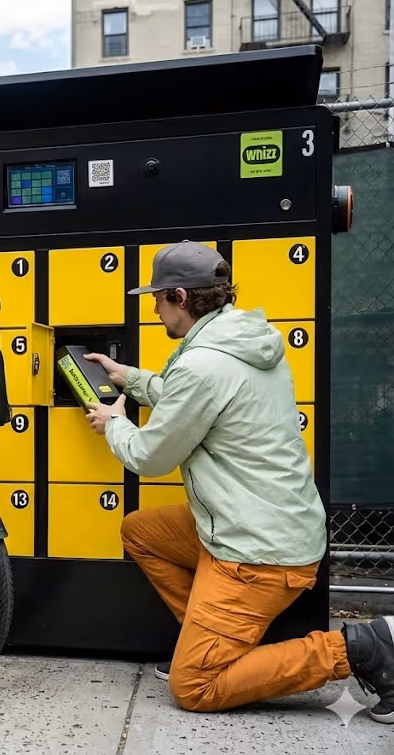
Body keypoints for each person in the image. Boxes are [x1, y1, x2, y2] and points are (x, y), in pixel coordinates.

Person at [82, 240, 394, 723]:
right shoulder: (243, 341)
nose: (155, 309)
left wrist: (114, 423)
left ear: (180, 298)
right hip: (259, 526)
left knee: (195, 686)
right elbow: (194, 395)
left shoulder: (203, 364)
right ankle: (210, 643)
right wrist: (129, 377)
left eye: (157, 298)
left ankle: (360, 649)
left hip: (258, 552)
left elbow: (148, 456)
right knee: (140, 531)